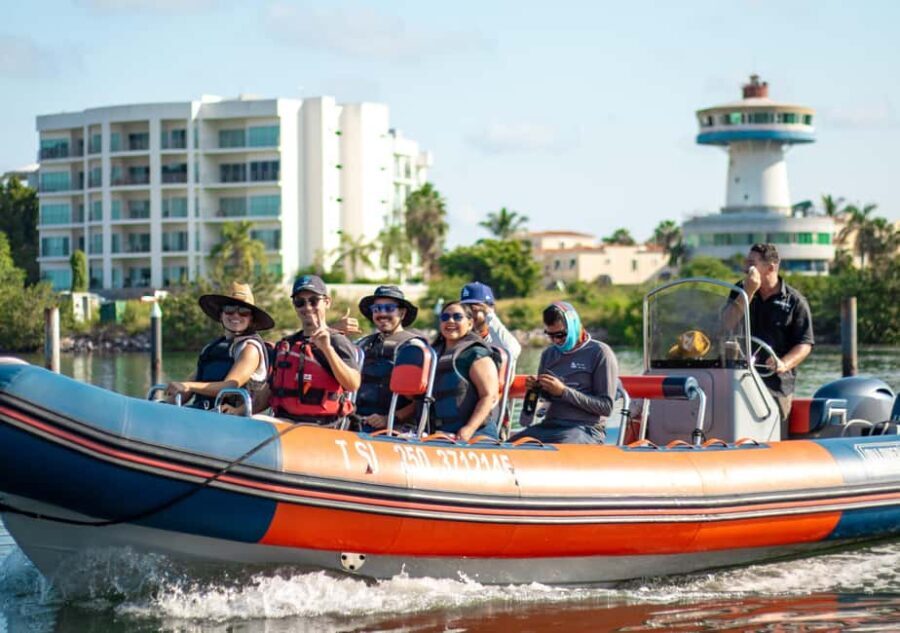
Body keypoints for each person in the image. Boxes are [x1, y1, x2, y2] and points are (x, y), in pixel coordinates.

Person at [243, 275, 361, 425]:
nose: (307, 307)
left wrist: (327, 349)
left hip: (324, 425)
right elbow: (270, 390)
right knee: (252, 423)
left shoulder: (337, 341)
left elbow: (353, 384)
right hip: (285, 421)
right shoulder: (287, 344)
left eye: (313, 301)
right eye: (300, 302)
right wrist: (240, 411)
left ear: (327, 302)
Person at [725, 243, 814, 432]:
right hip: (740, 379)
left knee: (773, 433)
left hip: (776, 385)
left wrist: (784, 363)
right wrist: (748, 292)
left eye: (751, 263)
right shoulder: (740, 290)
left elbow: (804, 343)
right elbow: (726, 324)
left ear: (771, 267)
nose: (745, 268)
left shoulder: (795, 301)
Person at [510, 302, 619, 445]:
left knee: (560, 447)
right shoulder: (549, 354)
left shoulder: (600, 352)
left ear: (574, 325)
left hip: (585, 428)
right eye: (550, 335)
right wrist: (535, 390)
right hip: (550, 425)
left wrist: (563, 391)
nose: (556, 340)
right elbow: (543, 402)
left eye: (560, 334)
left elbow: (606, 407)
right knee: (509, 446)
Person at [166, 281, 274, 411]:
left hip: (234, 419)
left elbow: (229, 388)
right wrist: (164, 404)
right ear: (221, 315)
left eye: (243, 312)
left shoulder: (250, 348)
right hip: (205, 413)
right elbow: (191, 384)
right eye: (229, 310)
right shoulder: (211, 349)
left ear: (251, 319)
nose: (236, 315)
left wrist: (189, 386)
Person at [430, 301, 500, 441]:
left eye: (457, 317)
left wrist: (469, 429)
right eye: (445, 317)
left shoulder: (476, 353)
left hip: (476, 433)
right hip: (441, 434)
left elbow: (488, 396)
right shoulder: (433, 354)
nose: (450, 321)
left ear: (470, 323)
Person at [355, 285, 420, 431]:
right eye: (377, 309)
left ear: (402, 313)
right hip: (358, 422)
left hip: (395, 427)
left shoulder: (413, 347)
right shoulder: (363, 344)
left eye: (389, 308)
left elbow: (420, 400)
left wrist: (389, 418)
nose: (382, 313)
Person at [458, 281, 521, 366]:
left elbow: (511, 351)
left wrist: (490, 315)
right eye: (465, 309)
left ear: (490, 309)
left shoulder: (495, 339)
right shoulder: (455, 340)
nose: (469, 314)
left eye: (474, 309)